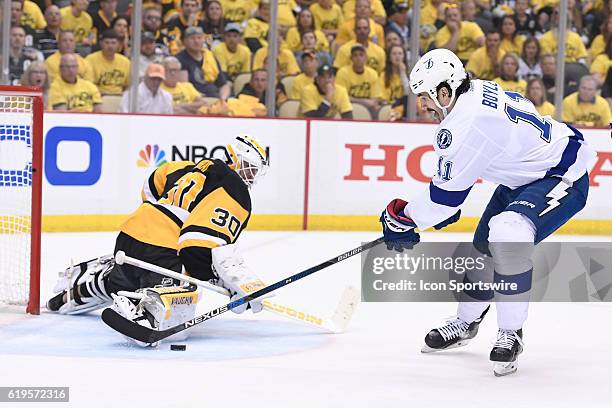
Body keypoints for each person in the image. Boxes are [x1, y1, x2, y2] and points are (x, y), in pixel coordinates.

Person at [380, 48, 596, 376]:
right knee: (483, 252)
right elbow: (456, 185)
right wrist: (439, 206)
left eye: (425, 97)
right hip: (524, 176)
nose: (422, 106)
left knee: (509, 233)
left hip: (561, 174)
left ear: (444, 91)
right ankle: (466, 322)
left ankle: (511, 332)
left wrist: (403, 217)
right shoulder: (475, 90)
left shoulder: (465, 124)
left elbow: (443, 200)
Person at [47, 135, 271, 347]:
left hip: (130, 235)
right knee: (183, 306)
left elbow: (150, 186)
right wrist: (219, 279)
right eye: (249, 168)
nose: (250, 177)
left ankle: (95, 284)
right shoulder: (235, 190)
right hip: (162, 252)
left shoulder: (188, 168)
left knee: (125, 280)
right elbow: (197, 244)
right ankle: (141, 309)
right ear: (234, 158)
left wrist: (160, 217)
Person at [175, 26, 230, 100]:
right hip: (196, 100)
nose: (196, 41)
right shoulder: (179, 59)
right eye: (192, 38)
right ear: (185, 41)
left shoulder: (210, 56)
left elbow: (223, 85)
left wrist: (223, 99)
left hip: (216, 97)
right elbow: (184, 89)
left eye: (199, 38)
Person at [335, 44, 383, 116]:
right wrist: (363, 102)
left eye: (361, 55)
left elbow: (375, 98)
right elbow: (341, 96)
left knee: (379, 108)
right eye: (355, 55)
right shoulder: (343, 72)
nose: (358, 58)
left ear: (366, 58)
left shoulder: (373, 73)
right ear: (351, 58)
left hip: (368, 107)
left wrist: (368, 103)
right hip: (348, 107)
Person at [85, 29, 130, 95]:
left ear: (118, 44)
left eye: (113, 43)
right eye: (107, 42)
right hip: (98, 96)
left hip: (120, 97)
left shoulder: (126, 62)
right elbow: (88, 85)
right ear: (101, 43)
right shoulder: (90, 59)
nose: (110, 46)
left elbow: (129, 86)